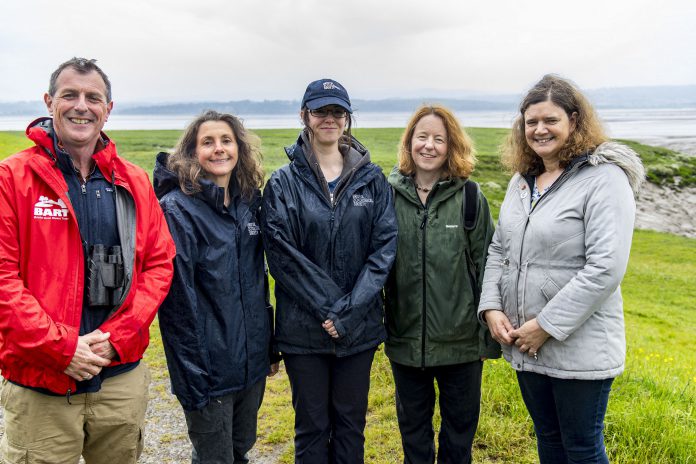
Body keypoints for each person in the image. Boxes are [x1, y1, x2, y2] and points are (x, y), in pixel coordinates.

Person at [0, 57, 176, 463]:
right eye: (70, 95)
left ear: (108, 109)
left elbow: (159, 264)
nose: (82, 105)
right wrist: (63, 349)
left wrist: (118, 339)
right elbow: (4, 279)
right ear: (49, 102)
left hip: (119, 379)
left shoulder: (131, 181)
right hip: (41, 385)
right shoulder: (13, 179)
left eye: (93, 97)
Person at [478, 75, 645, 464]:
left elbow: (606, 266)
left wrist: (546, 326)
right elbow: (499, 248)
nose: (539, 129)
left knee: (582, 447)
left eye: (550, 120)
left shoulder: (604, 179)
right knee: (549, 440)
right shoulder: (523, 181)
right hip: (525, 342)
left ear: (573, 120)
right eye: (531, 121)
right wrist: (491, 308)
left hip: (576, 346)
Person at [261, 78, 398, 463]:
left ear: (347, 119)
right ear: (304, 115)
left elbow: (383, 250)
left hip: (359, 330)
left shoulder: (373, 179)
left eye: (337, 111)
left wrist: (350, 312)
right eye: (321, 111)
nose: (329, 119)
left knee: (351, 424)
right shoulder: (283, 184)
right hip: (304, 331)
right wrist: (331, 311)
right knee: (311, 426)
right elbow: (282, 256)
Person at [154, 110, 279, 464]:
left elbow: (257, 282)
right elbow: (177, 304)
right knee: (214, 457)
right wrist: (193, 377)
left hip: (250, 364)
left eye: (226, 140)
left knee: (240, 449)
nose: (219, 149)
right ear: (193, 152)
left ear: (239, 148)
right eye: (207, 142)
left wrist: (266, 349)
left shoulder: (247, 203)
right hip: (208, 371)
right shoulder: (177, 209)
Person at [384, 105, 500, 464]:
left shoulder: (470, 199)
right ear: (409, 142)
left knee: (458, 440)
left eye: (439, 139)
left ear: (452, 146)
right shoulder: (387, 196)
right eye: (422, 137)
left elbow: (488, 269)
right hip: (405, 344)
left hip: (463, 347)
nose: (429, 146)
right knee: (413, 438)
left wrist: (487, 340)